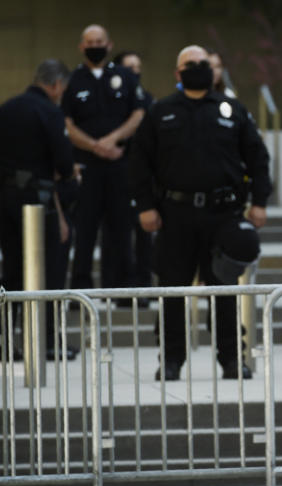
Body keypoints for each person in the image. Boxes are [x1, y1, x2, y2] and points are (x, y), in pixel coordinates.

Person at [129, 45, 271, 381]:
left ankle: (232, 358)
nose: (197, 68)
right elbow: (138, 163)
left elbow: (258, 158)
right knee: (173, 291)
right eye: (189, 64)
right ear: (178, 73)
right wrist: (145, 206)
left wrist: (260, 201)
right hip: (174, 215)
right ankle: (172, 359)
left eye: (203, 64)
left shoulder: (232, 109)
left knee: (224, 291)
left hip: (222, 215)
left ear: (213, 70)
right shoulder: (161, 111)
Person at [0, 59, 78, 360]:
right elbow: (64, 164)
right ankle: (46, 342)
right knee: (48, 271)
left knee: (14, 272)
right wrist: (69, 172)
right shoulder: (49, 111)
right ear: (56, 85)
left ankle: (7, 341)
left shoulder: (7, 108)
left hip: (5, 200)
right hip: (38, 201)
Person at [63, 24, 146, 292]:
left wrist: (112, 140)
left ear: (109, 45)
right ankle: (81, 287)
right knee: (85, 230)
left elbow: (138, 113)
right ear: (81, 46)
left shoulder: (125, 76)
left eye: (99, 41)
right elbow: (66, 122)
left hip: (120, 165)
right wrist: (94, 146)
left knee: (122, 228)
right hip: (87, 167)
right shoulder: (72, 81)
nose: (95, 45)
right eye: (90, 41)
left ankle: (124, 288)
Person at [114, 50, 156, 291]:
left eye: (138, 66)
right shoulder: (111, 100)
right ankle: (121, 285)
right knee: (118, 235)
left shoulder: (148, 100)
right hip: (117, 172)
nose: (136, 72)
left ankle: (144, 283)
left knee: (144, 237)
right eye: (130, 67)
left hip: (143, 176)